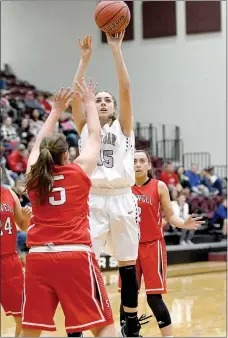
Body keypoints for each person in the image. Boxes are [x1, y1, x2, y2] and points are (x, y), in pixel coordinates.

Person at [21, 82, 115, 337]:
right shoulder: (78, 171)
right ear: (65, 156)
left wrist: (55, 111)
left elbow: (36, 145)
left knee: (31, 329)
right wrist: (87, 102)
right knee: (103, 324)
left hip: (38, 257)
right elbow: (96, 136)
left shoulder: (33, 175)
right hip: (74, 255)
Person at [71, 33, 141, 337]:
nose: (102, 101)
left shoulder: (123, 127)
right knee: (83, 264)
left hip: (123, 198)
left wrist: (116, 50)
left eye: (106, 100)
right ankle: (78, 325)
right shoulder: (86, 126)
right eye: (97, 99)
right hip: (92, 199)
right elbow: (76, 95)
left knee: (128, 266)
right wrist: (84, 61)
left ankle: (131, 324)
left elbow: (125, 89)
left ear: (113, 108)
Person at [119, 150, 204, 337]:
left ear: (149, 165)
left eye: (142, 161)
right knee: (128, 295)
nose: (138, 164)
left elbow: (171, 215)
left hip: (152, 246)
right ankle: (126, 333)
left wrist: (183, 223)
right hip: (129, 247)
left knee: (154, 297)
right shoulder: (122, 186)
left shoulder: (159, 186)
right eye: (134, 161)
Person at [0, 171, 32, 337]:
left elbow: (23, 226)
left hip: (10, 261)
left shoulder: (9, 193)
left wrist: (26, 218)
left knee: (23, 316)